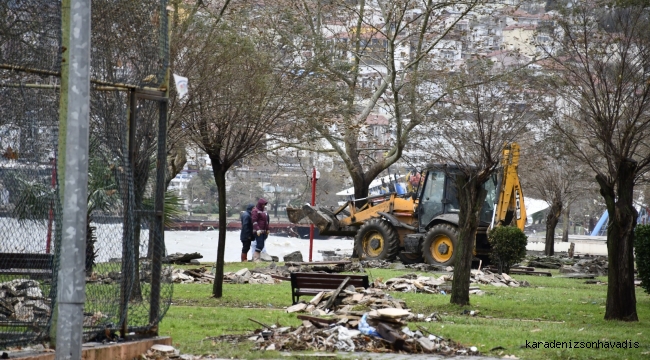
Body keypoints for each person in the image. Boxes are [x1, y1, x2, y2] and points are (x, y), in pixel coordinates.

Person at [251, 198, 270, 262]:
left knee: (262, 245)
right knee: (259, 244)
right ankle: (255, 257)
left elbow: (266, 221)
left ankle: (257, 257)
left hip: (264, 231)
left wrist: (267, 229)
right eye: (263, 204)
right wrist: (257, 229)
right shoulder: (255, 211)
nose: (264, 206)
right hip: (258, 231)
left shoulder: (264, 211)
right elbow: (254, 221)